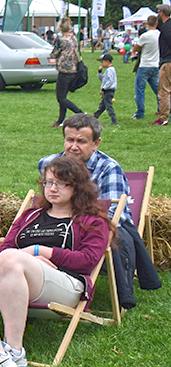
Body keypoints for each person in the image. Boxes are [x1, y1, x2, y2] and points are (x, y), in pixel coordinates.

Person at [0, 156, 113, 367]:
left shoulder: (91, 220)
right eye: (48, 182)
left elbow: (87, 260)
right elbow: (2, 253)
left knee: (13, 258)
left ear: (77, 186)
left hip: (67, 283)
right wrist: (30, 262)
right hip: (20, 274)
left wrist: (40, 251)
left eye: (60, 183)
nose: (52, 188)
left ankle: (15, 350)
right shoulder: (32, 215)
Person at [38, 113, 161, 309]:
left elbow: (114, 214)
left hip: (96, 225)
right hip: (58, 220)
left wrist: (79, 227)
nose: (73, 146)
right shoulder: (48, 164)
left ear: (96, 143)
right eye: (70, 140)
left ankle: (121, 294)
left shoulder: (109, 168)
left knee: (117, 238)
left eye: (81, 141)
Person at [50, 18, 83, 127]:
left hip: (64, 71)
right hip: (74, 70)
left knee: (61, 98)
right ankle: (61, 120)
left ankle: (80, 113)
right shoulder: (73, 38)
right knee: (63, 97)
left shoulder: (61, 40)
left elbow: (54, 53)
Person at [132, 15, 160, 120]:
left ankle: (140, 112)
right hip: (156, 65)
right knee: (158, 90)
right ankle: (161, 108)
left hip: (145, 65)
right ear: (157, 23)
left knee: (139, 90)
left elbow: (136, 48)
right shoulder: (160, 34)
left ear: (147, 24)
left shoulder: (145, 36)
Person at [153, 3, 171, 126]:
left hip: (168, 62)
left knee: (164, 91)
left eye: (158, 12)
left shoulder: (166, 28)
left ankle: (163, 118)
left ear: (162, 13)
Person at [93, 53, 117, 125]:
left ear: (107, 61)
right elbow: (103, 79)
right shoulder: (108, 70)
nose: (102, 64)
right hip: (107, 90)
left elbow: (109, 81)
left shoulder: (110, 70)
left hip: (108, 90)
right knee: (102, 106)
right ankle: (94, 118)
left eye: (102, 62)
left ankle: (114, 121)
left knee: (108, 106)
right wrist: (99, 72)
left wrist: (103, 89)